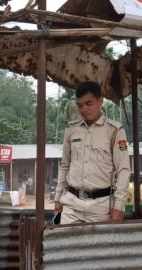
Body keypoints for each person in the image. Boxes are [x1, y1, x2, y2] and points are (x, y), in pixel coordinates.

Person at [54, 81, 130, 224]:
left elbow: (124, 170)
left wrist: (119, 206)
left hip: (101, 208)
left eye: (89, 103)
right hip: (72, 205)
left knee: (98, 246)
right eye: (80, 105)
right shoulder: (71, 130)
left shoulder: (114, 131)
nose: (84, 109)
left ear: (100, 101)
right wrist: (58, 197)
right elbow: (65, 165)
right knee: (65, 244)